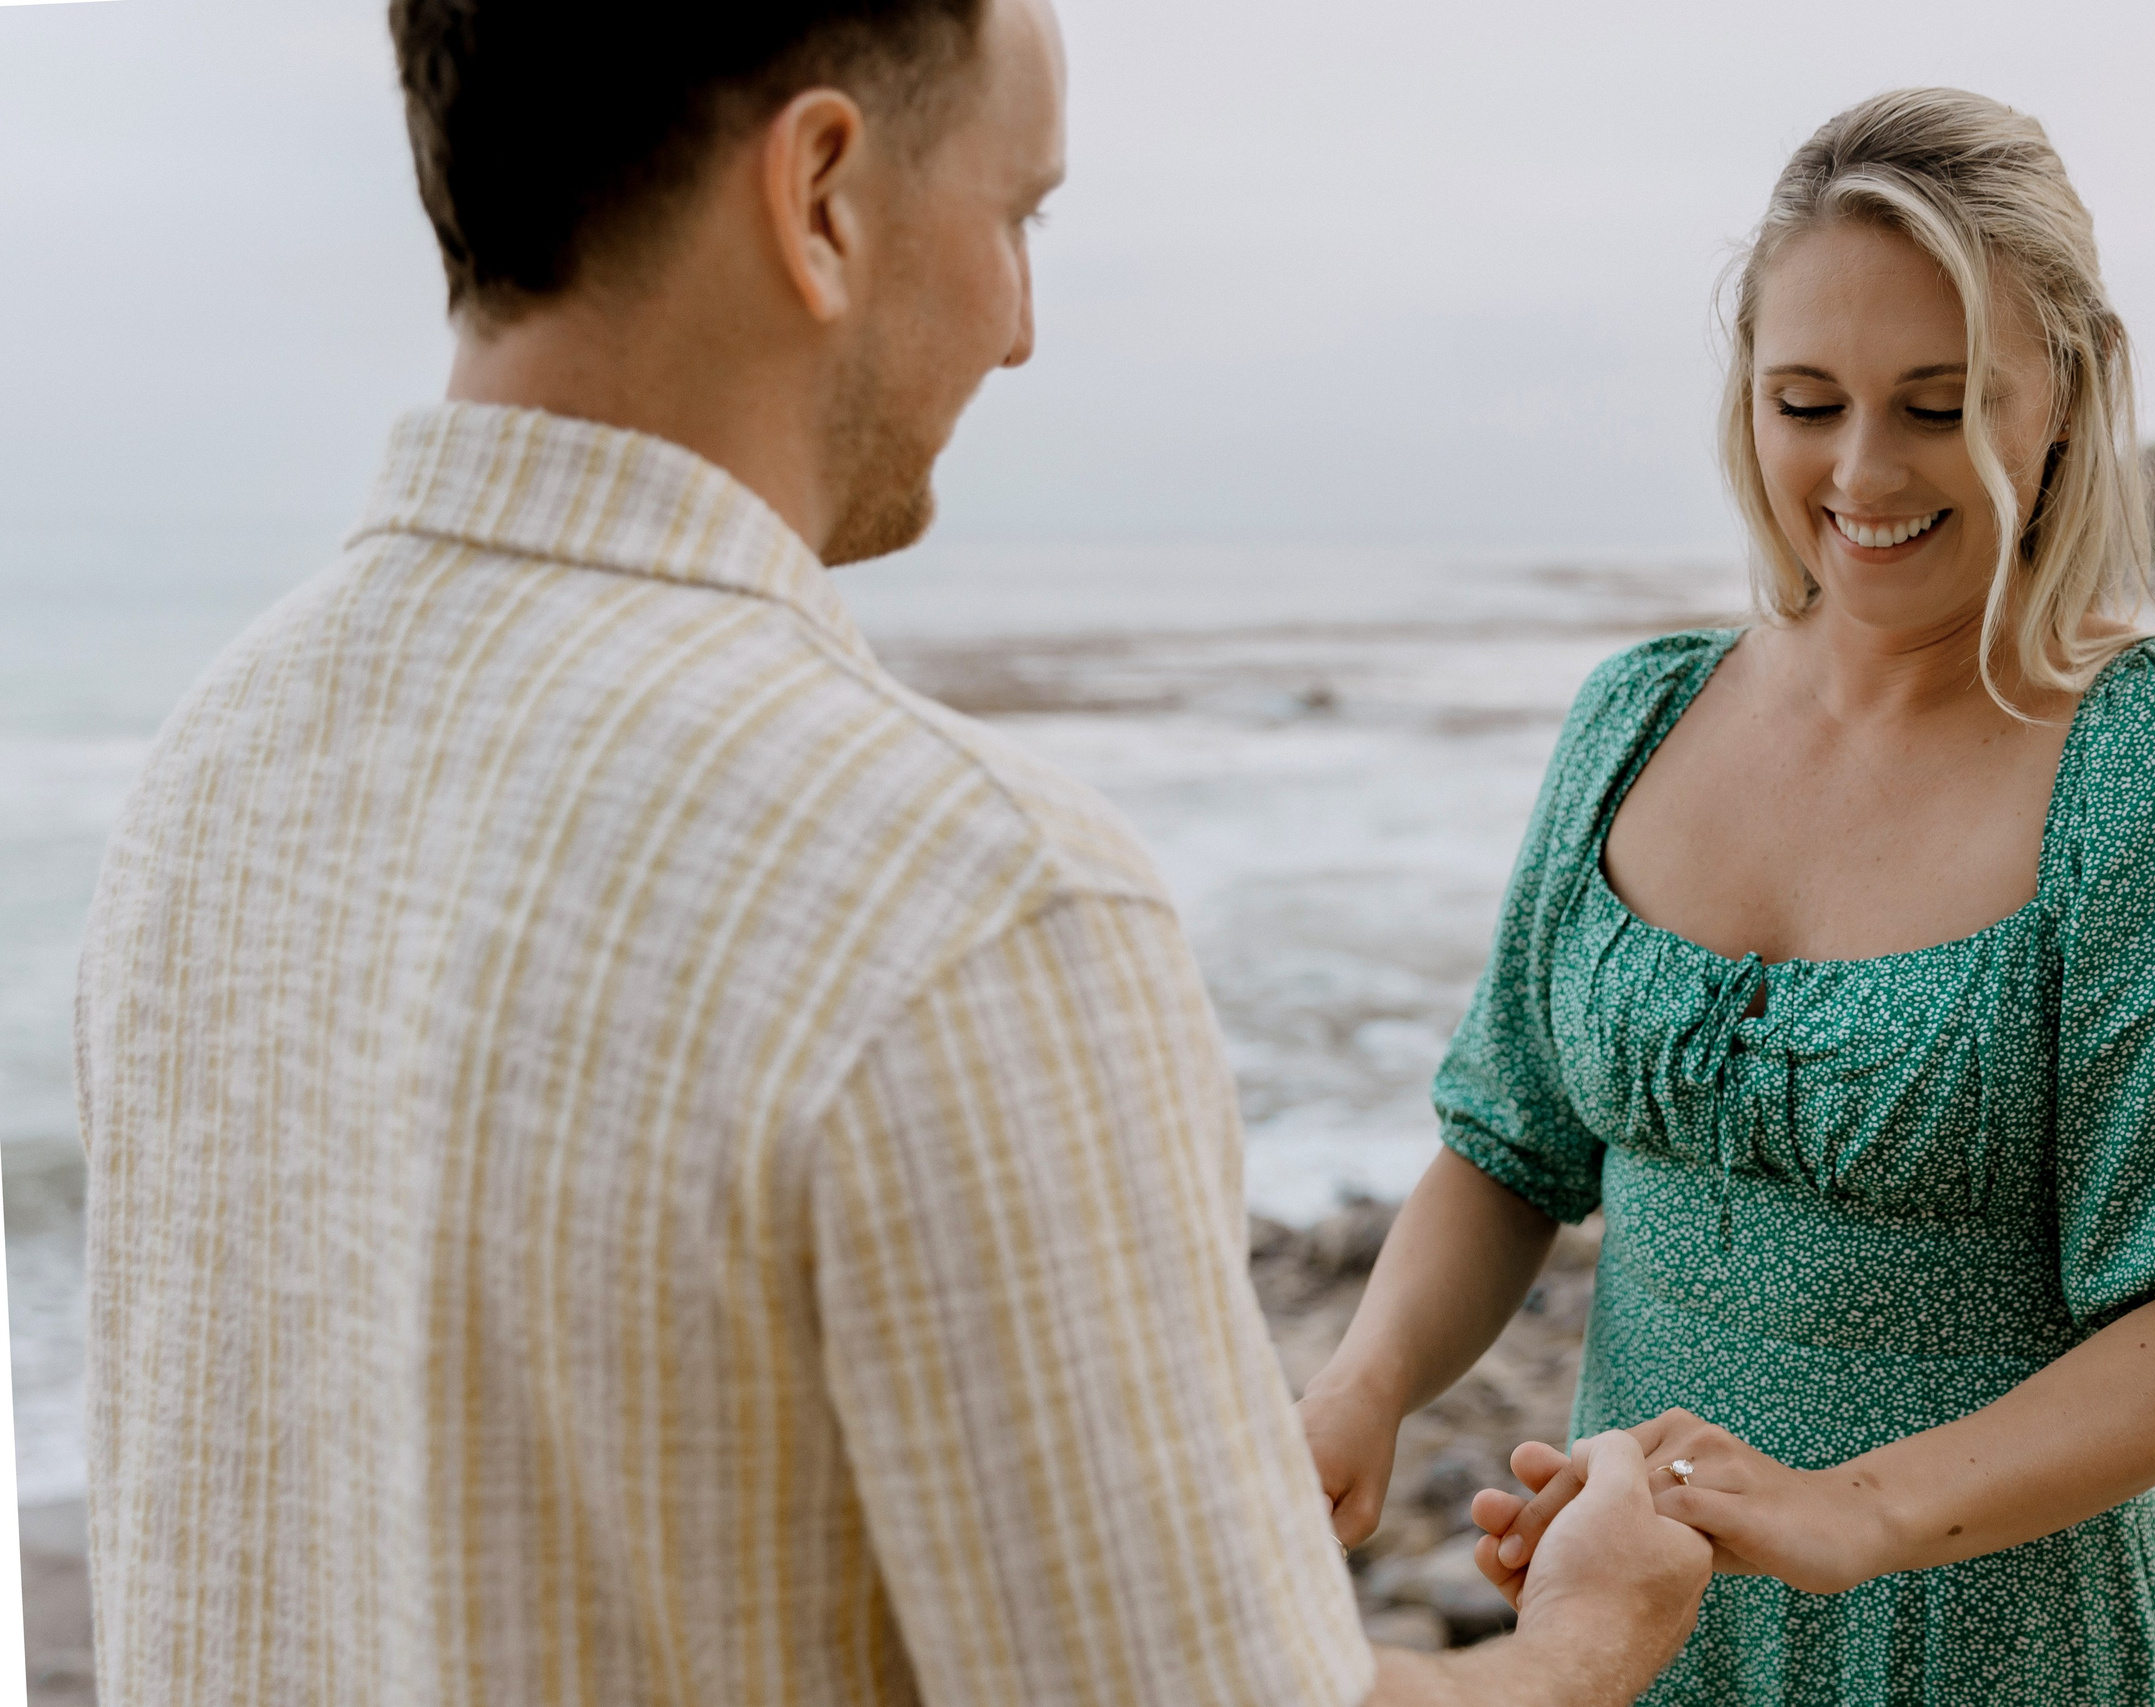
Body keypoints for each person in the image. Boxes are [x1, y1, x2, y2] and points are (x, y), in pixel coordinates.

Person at [73, 3, 1715, 1702]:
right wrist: (1588, 1636)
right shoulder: (972, 897)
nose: (1017, 327)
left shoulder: (218, 766)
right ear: (824, 196)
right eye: (1020, 216)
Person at [1296, 87, 2155, 1705]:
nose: (1863, 471)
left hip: (1982, 1641)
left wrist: (1853, 1511)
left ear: (2062, 394)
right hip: (1630, 1621)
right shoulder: (1635, 717)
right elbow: (1507, 1144)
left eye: (1938, 406)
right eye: (1807, 401)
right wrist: (1363, 1386)